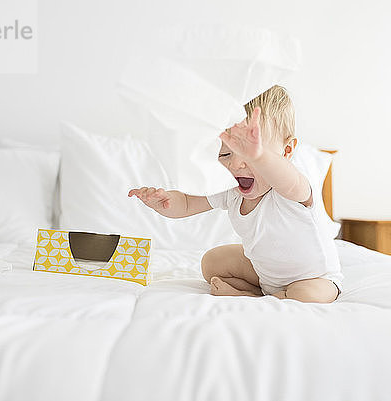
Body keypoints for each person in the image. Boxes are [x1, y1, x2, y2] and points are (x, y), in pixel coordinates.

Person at [128, 85, 343, 303]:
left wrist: (261, 157)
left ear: (286, 151)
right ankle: (263, 292)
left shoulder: (291, 189)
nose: (236, 164)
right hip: (265, 275)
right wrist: (164, 201)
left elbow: (288, 178)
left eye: (252, 155)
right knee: (211, 263)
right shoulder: (230, 189)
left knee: (307, 294)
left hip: (314, 278)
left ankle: (253, 296)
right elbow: (185, 203)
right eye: (226, 153)